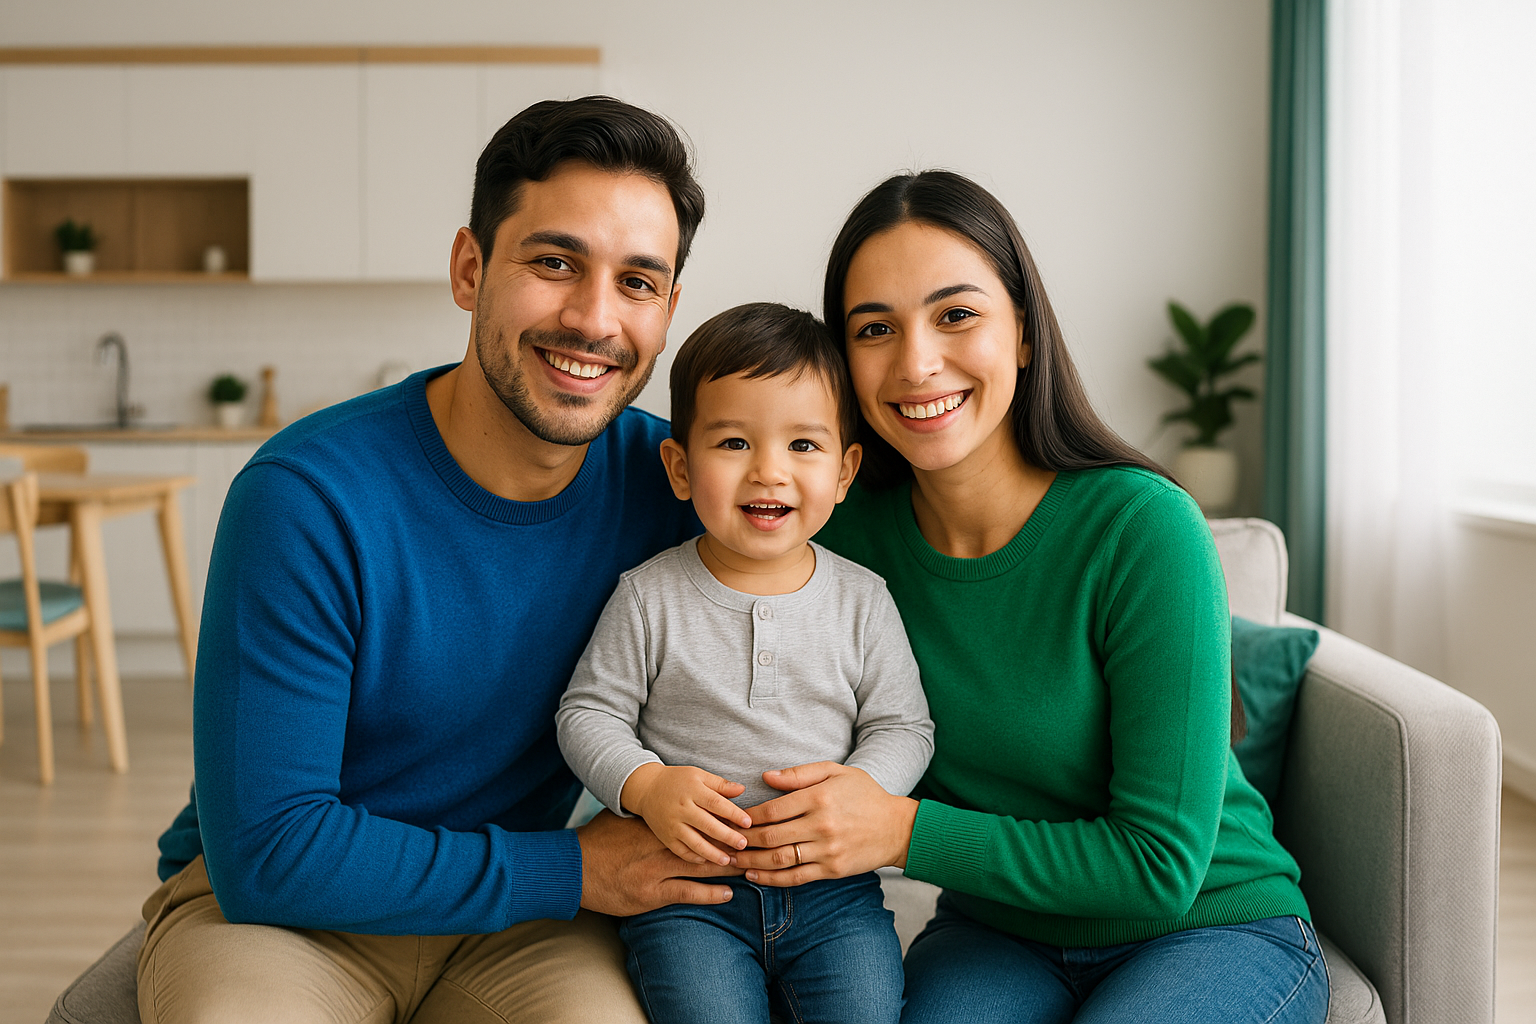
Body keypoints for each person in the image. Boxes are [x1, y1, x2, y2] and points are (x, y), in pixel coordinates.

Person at [134, 96, 742, 1024]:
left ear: (667, 312)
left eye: (637, 282)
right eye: (553, 263)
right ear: (469, 268)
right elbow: (268, 851)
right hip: (285, 917)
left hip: (523, 928)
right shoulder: (307, 496)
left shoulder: (676, 488)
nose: (593, 317)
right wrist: (575, 866)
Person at [728, 170, 1330, 1024]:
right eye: (874, 329)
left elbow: (1161, 866)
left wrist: (901, 831)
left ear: (1021, 332)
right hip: (997, 935)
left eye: (956, 314)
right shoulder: (833, 535)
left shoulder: (1142, 527)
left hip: (1209, 924)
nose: (916, 362)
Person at [556, 302, 935, 1024]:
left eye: (803, 446)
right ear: (679, 466)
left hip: (833, 891)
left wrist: (858, 792)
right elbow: (588, 715)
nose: (769, 472)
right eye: (733, 442)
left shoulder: (863, 598)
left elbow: (904, 726)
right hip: (687, 892)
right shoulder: (648, 596)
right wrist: (646, 785)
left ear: (846, 470)